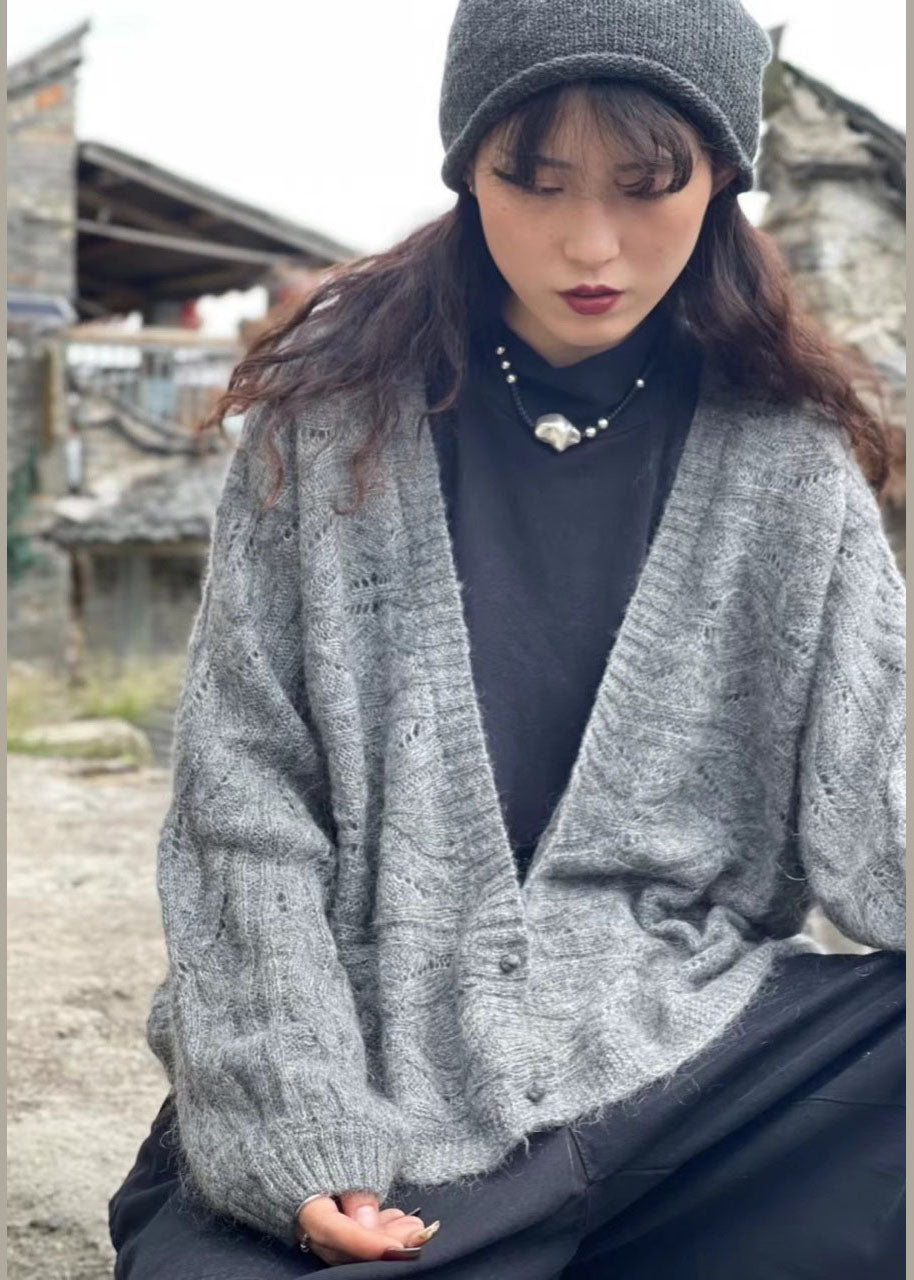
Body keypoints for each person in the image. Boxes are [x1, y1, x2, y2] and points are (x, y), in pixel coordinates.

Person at [108, 1, 905, 1276]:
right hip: (374, 1061)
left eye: (647, 185)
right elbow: (242, 813)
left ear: (719, 180)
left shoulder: (787, 466)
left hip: (681, 1059)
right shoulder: (327, 431)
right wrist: (297, 1125)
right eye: (532, 180)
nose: (589, 242)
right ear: (465, 168)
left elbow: (878, 822)